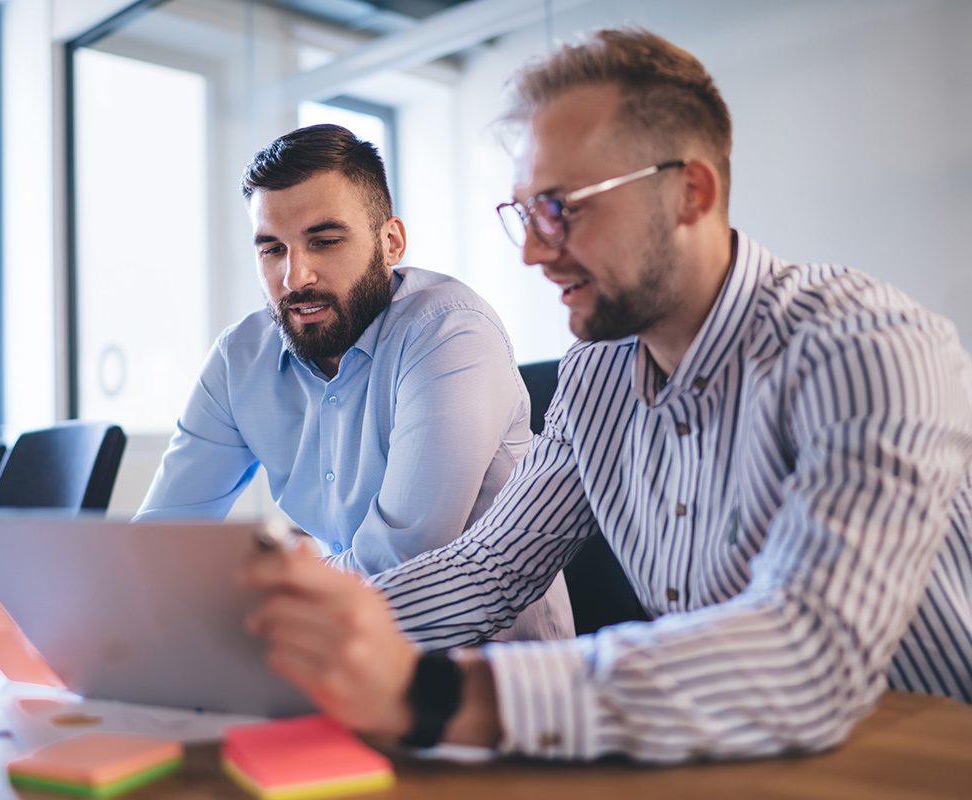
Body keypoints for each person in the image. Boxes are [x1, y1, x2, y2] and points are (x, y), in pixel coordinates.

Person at [244, 29, 972, 762]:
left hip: (920, 757)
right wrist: (304, 637)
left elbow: (807, 651)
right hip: (731, 762)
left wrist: (431, 694)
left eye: (564, 207)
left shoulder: (866, 347)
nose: (532, 250)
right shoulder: (595, 376)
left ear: (692, 192)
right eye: (526, 213)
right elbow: (489, 568)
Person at [138, 123, 574, 640]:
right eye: (272, 249)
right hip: (327, 650)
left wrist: (238, 596)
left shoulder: (451, 333)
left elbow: (400, 564)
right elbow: (157, 545)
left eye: (324, 241)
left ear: (390, 243)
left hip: (491, 679)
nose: (295, 278)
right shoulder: (241, 358)